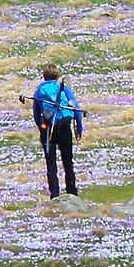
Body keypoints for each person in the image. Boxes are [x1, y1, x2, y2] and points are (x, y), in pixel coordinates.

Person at [31, 65, 84, 198]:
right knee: (68, 162)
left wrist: (41, 127)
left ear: (44, 77)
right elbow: (75, 108)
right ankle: (72, 192)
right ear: (57, 76)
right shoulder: (64, 89)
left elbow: (36, 114)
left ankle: (54, 195)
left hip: (48, 130)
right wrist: (79, 127)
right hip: (64, 128)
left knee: (51, 164)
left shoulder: (39, 91)